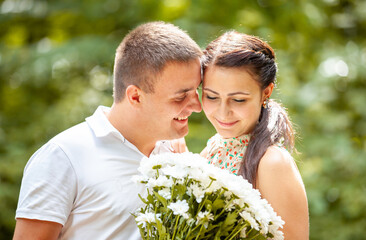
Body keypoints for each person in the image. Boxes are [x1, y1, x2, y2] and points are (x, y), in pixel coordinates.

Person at [13, 21, 202, 240]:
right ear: (135, 96)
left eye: (196, 91)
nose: (197, 107)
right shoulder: (63, 157)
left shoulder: (179, 157)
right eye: (181, 96)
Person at [200, 31, 309, 239]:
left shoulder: (272, 163)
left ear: (266, 93)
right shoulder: (210, 151)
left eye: (238, 100)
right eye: (212, 97)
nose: (223, 112)